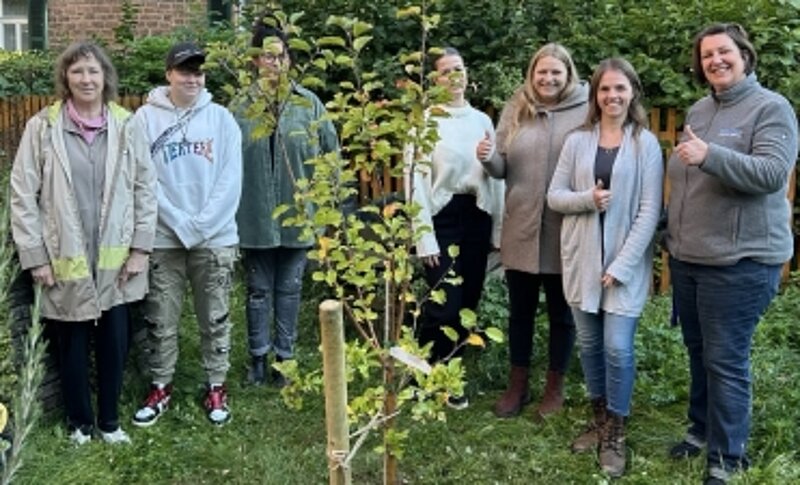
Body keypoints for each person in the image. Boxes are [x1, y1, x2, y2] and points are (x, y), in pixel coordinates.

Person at [665, 23, 798, 485]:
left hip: (740, 262)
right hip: (690, 258)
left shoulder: (772, 108)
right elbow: (688, 180)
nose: (715, 61)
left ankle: (728, 458)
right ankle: (701, 431)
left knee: (725, 358)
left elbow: (771, 173)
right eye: (707, 56)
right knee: (699, 350)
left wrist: (711, 155)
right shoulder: (700, 110)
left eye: (724, 52)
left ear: (744, 55)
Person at [10, 41, 157, 445]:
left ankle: (109, 422)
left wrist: (142, 248)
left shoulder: (128, 125)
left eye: (93, 71)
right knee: (70, 345)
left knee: (114, 341)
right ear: (65, 78)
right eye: (77, 72)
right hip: (64, 260)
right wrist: (35, 257)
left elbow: (146, 188)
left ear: (106, 76)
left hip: (118, 260)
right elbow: (23, 194)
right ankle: (79, 423)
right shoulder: (43, 127)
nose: (86, 79)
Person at [547, 58, 663, 477]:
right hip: (581, 260)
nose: (612, 96)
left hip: (623, 265)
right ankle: (599, 422)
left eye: (620, 88)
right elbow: (554, 197)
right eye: (604, 90)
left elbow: (650, 211)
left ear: (632, 92)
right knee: (591, 347)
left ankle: (617, 429)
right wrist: (587, 200)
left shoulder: (644, 143)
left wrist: (623, 264)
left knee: (617, 346)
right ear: (594, 95)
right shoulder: (578, 141)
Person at [132, 41, 242, 427]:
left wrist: (201, 226)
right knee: (162, 317)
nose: (192, 78)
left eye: (198, 71)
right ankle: (161, 385)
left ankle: (216, 384)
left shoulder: (222, 120)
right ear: (169, 75)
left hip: (214, 237)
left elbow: (230, 180)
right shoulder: (144, 119)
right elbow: (143, 179)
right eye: (184, 71)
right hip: (164, 237)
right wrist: (179, 223)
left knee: (215, 315)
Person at [477, 43, 587, 419]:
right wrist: (488, 157)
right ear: (532, 74)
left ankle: (555, 388)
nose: (548, 78)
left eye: (556, 72)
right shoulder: (517, 107)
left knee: (562, 314)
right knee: (520, 312)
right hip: (521, 226)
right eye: (542, 72)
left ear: (568, 74)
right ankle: (517, 385)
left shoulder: (586, 111)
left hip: (565, 229)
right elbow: (501, 166)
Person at [235, 23, 339, 387]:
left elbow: (331, 157)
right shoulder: (240, 107)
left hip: (299, 217)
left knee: (290, 288)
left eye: (280, 55)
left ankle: (286, 359)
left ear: (290, 60)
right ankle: (258, 359)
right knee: (259, 289)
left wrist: (325, 208)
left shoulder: (308, 105)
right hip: (254, 216)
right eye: (266, 55)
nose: (273, 62)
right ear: (255, 61)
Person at [406, 47, 504, 410]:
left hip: (476, 214)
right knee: (442, 305)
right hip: (441, 216)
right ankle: (423, 374)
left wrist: (497, 228)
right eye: (445, 71)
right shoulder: (425, 122)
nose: (454, 76)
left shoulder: (482, 120)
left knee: (468, 303)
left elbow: (497, 180)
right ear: (434, 81)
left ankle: (452, 378)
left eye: (458, 68)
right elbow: (413, 181)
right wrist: (423, 235)